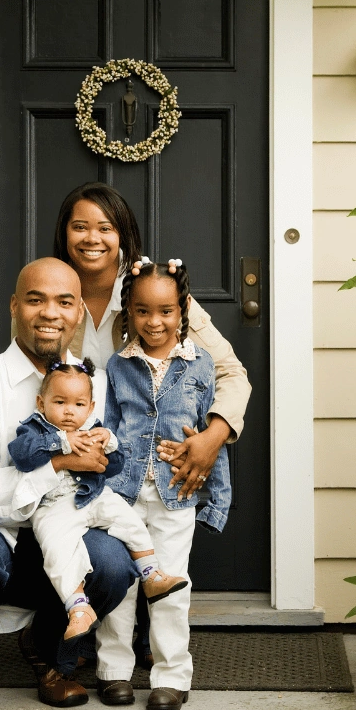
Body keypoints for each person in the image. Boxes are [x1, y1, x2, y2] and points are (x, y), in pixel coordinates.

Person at [0, 257, 139, 710]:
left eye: (64, 302)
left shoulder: (96, 384)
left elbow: (107, 465)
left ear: (79, 312)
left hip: (64, 539)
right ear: (14, 306)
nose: (50, 313)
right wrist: (58, 462)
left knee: (114, 561)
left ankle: (52, 654)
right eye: (36, 300)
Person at [53, 181, 250, 669]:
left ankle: (154, 647)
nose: (92, 238)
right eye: (80, 226)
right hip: (77, 457)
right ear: (65, 234)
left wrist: (213, 436)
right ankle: (69, 634)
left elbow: (230, 373)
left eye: (106, 227)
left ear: (124, 236)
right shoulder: (55, 292)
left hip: (149, 466)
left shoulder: (154, 295)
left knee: (160, 553)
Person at [98, 257, 231, 710]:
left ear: (182, 313)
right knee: (122, 584)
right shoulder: (118, 367)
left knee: (172, 584)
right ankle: (114, 670)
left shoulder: (201, 367)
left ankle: (171, 676)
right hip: (123, 492)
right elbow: (110, 429)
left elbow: (212, 439)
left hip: (177, 494)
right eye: (142, 311)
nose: (154, 322)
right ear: (128, 312)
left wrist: (218, 500)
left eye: (166, 312)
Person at [8, 356, 187, 643]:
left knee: (128, 519)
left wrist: (109, 442)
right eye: (60, 402)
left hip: (94, 496)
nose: (69, 412)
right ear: (42, 404)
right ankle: (78, 607)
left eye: (79, 405)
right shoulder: (35, 429)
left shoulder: (93, 427)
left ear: (90, 407)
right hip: (54, 506)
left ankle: (151, 574)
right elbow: (21, 455)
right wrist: (63, 443)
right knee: (58, 550)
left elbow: (113, 466)